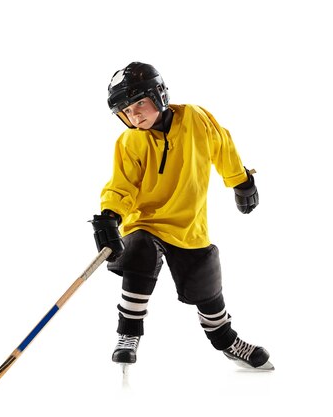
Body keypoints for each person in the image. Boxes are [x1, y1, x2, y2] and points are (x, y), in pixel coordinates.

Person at [91, 62, 273, 370]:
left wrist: (240, 181)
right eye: (127, 111)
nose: (136, 116)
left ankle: (226, 340)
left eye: (140, 104)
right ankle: (128, 334)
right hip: (146, 222)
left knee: (205, 279)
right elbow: (122, 186)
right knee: (138, 252)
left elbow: (223, 146)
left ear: (158, 96)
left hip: (189, 225)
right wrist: (110, 215)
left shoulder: (195, 120)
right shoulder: (130, 142)